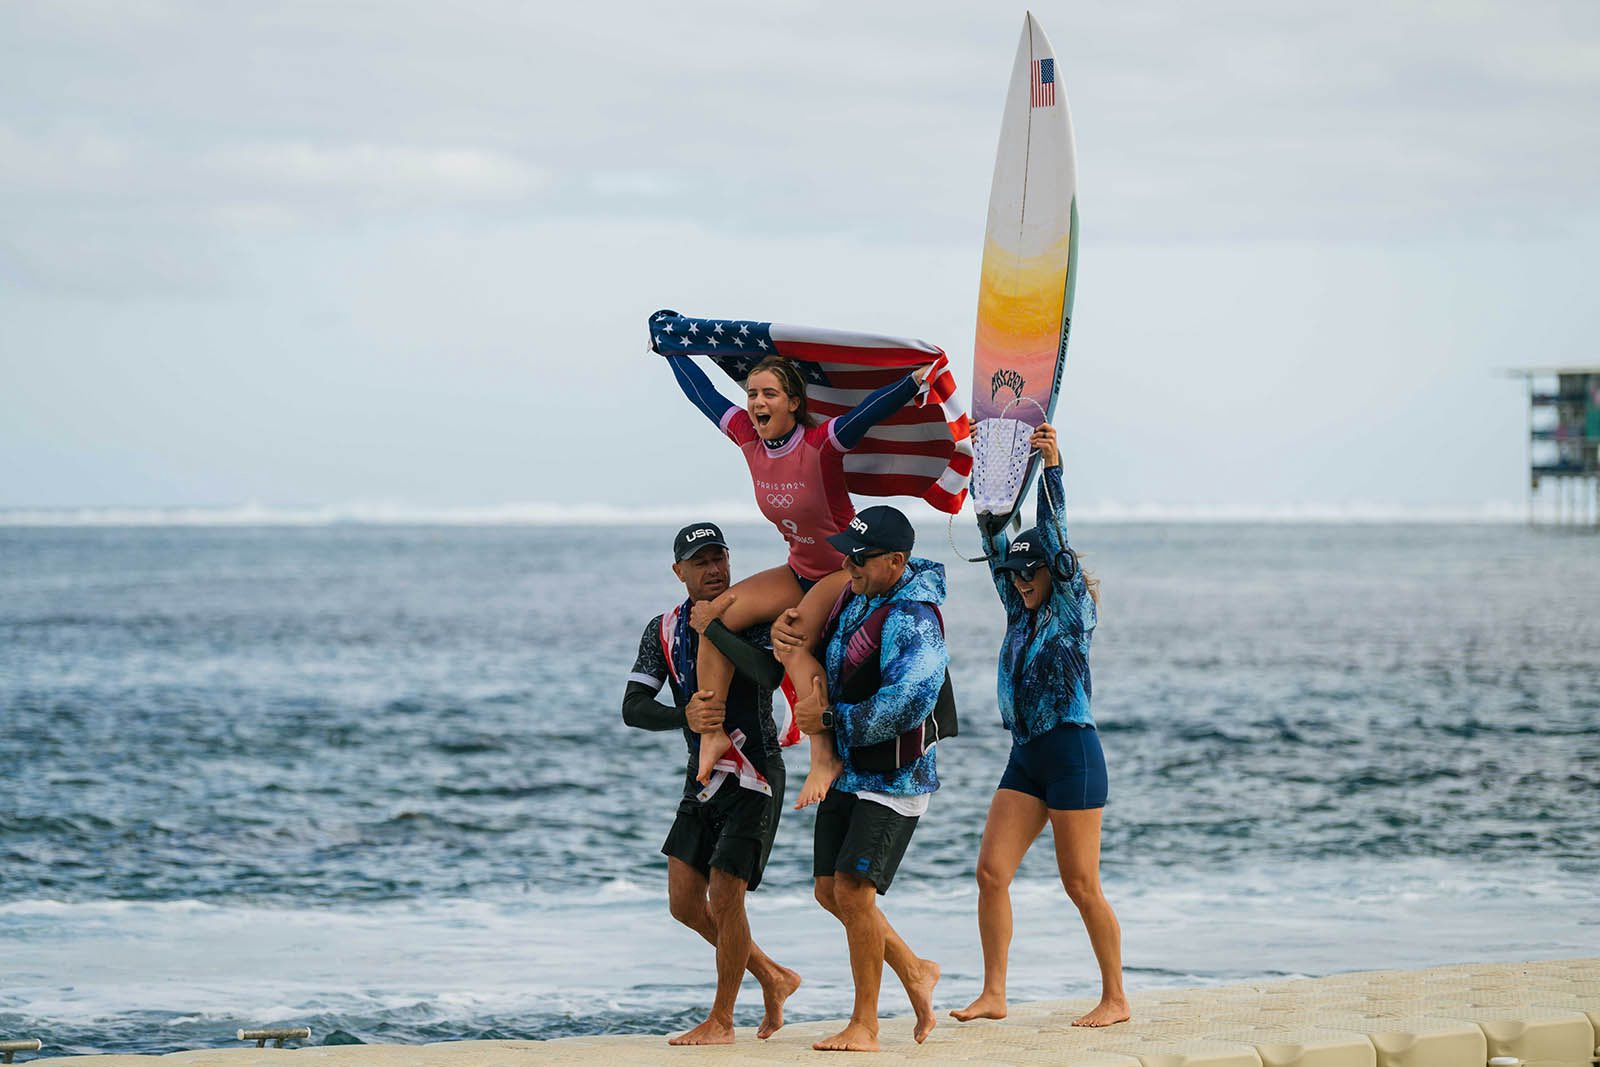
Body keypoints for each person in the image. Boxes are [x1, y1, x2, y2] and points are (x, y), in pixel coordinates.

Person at [658, 320, 931, 808]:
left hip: (838, 570)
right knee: (715, 615)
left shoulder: (820, 444)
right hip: (797, 567)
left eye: (769, 394)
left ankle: (823, 755)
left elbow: (867, 413)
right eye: (752, 393)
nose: (757, 403)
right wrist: (670, 349)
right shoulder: (746, 435)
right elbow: (702, 395)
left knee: (792, 641)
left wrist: (912, 383)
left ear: (793, 403)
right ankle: (713, 735)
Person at [950, 423, 1129, 1029]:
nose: (1023, 582)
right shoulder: (1019, 611)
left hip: (1072, 752)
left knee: (1081, 883)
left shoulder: (1070, 611)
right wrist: (990, 469)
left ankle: (1115, 999)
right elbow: (997, 540)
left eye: (1033, 574)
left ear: (1052, 573)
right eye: (1018, 576)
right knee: (990, 873)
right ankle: (994, 993)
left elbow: (1055, 542)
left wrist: (1052, 472)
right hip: (1026, 753)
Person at [621, 522, 802, 1045]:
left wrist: (715, 629)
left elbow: (769, 676)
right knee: (683, 902)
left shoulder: (750, 614)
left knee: (726, 895)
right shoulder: (662, 629)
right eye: (700, 562)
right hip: (702, 773)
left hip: (756, 770)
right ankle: (773, 976)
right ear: (679, 571)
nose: (714, 570)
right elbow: (633, 708)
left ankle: (722, 1020)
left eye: (719, 558)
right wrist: (685, 716)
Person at [791, 504, 950, 1052]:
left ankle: (866, 1026)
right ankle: (913, 969)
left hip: (895, 778)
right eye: (847, 553)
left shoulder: (915, 616)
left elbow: (910, 700)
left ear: (895, 561)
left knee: (854, 894)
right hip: (851, 769)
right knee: (828, 892)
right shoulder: (858, 597)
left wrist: (833, 721)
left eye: (858, 558)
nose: (848, 565)